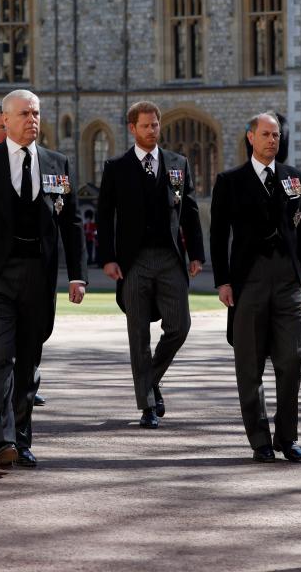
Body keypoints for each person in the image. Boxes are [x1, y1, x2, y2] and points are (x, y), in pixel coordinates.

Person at [0, 89, 87, 469]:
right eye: (25, 114)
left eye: (37, 113)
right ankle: (3, 439)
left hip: (37, 278)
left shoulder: (57, 164)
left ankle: (23, 440)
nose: (33, 120)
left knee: (28, 363)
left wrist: (77, 275)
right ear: (5, 121)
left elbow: (71, 224)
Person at [210, 111, 301, 463]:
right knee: (249, 365)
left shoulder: (293, 178)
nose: (273, 140)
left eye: (277, 135)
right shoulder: (230, 181)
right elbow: (218, 233)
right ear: (250, 137)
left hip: (287, 279)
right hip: (248, 280)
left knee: (292, 360)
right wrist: (222, 280)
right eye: (267, 134)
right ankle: (260, 440)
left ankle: (288, 437)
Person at [96, 100, 205, 429]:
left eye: (155, 125)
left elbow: (189, 209)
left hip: (170, 257)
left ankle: (149, 382)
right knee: (138, 335)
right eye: (145, 126)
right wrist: (107, 258)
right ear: (132, 128)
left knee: (179, 327)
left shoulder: (177, 164)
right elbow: (104, 215)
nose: (152, 130)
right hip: (133, 262)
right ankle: (147, 406)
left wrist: (197, 253)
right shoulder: (116, 167)